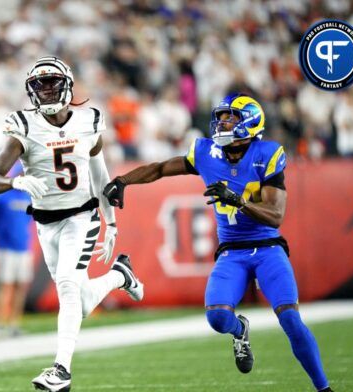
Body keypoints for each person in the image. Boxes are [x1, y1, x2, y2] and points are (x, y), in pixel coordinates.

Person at [103, 93, 332, 392]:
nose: (222, 123)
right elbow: (160, 168)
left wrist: (237, 201)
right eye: (222, 116)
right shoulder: (206, 152)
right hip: (232, 253)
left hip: (267, 248)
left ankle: (324, 389)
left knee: (290, 320)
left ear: (249, 122)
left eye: (230, 117)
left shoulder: (267, 153)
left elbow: (275, 216)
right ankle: (240, 331)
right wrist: (123, 180)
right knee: (218, 317)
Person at [0, 56, 144, 392]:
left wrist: (110, 221)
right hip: (45, 223)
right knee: (79, 301)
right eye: (39, 85)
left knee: (69, 286)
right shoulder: (24, 126)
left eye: (52, 83)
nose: (46, 90)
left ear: (67, 85)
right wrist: (15, 182)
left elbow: (99, 173)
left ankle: (61, 371)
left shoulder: (89, 121)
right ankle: (119, 275)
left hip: (81, 215)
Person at [0, 162, 34, 338]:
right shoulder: (1, 196)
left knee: (21, 286)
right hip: (4, 247)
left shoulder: (28, 196)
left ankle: (14, 324)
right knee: (4, 286)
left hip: (23, 247)